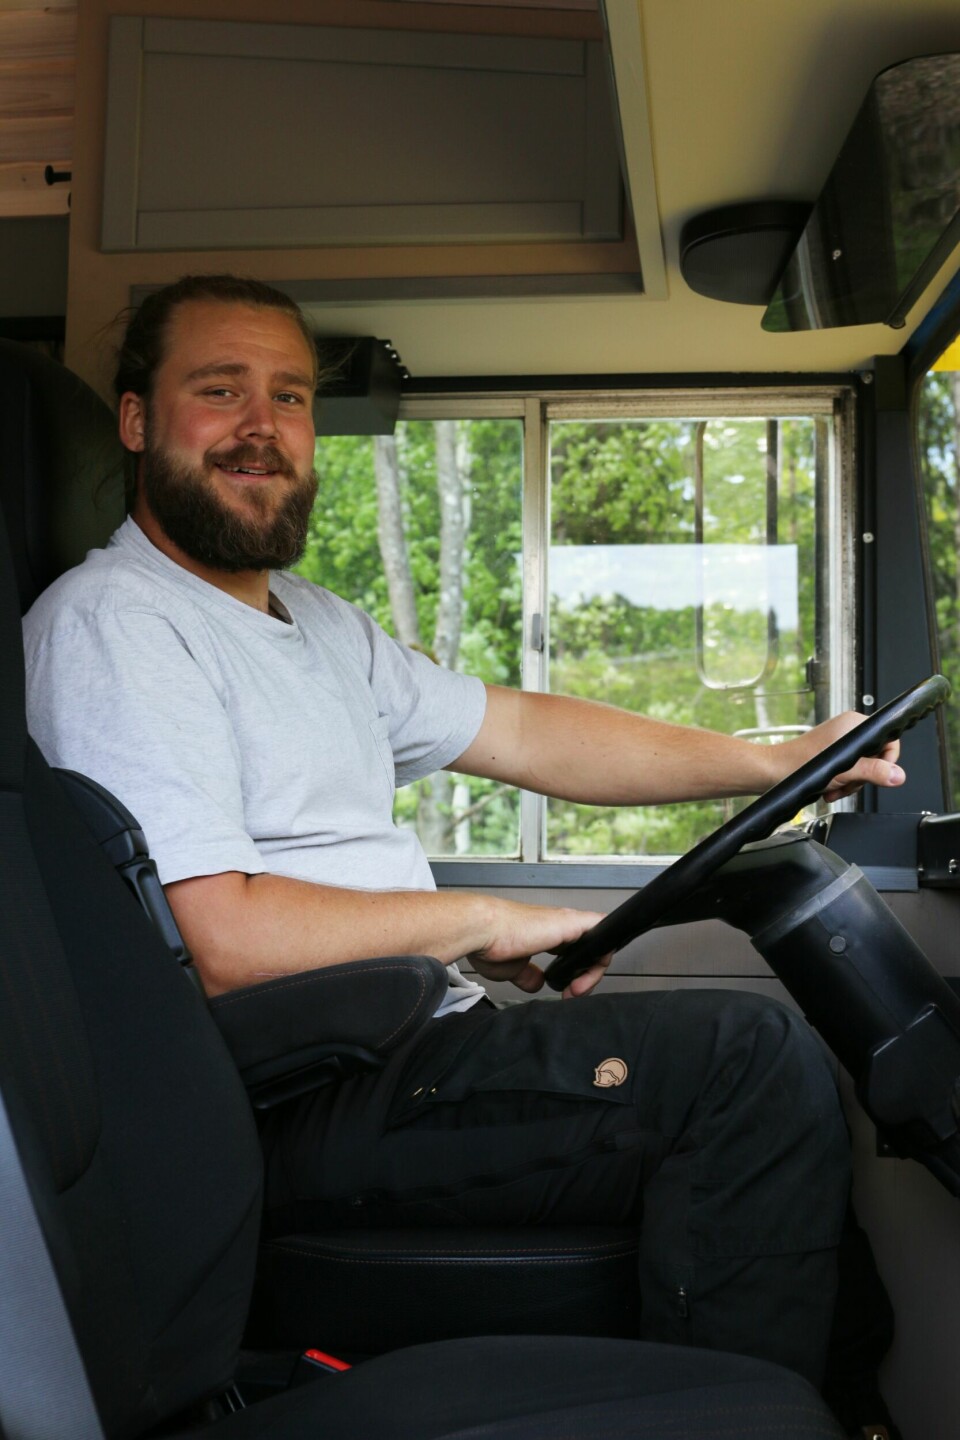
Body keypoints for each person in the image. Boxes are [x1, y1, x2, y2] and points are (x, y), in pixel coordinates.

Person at [23, 274, 904, 1395]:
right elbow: (218, 939)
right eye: (219, 389)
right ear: (139, 420)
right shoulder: (115, 627)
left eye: (289, 397)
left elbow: (528, 730)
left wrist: (767, 762)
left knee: (790, 1132)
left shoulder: (316, 625)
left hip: (395, 1048)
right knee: (750, 1066)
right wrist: (477, 917)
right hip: (294, 1097)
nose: (263, 426)